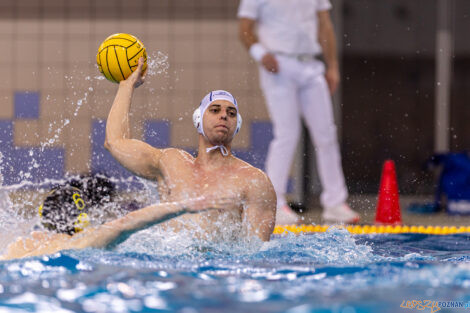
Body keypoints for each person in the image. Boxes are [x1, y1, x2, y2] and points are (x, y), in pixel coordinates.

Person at [104, 58, 276, 241]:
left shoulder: (254, 181)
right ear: (198, 120)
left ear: (237, 124)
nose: (224, 116)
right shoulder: (170, 163)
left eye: (231, 113)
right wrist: (126, 85)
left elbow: (255, 252)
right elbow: (115, 142)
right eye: (215, 110)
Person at [237, 0, 360, 225]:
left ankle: (335, 203)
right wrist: (261, 54)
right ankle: (273, 202)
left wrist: (332, 66)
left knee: (326, 134)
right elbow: (244, 28)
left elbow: (325, 25)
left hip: (311, 66)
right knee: (287, 133)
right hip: (278, 65)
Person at [0, 184, 234, 260]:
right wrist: (185, 206)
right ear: (82, 219)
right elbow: (128, 222)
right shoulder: (86, 239)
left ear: (44, 216)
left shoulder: (19, 244)